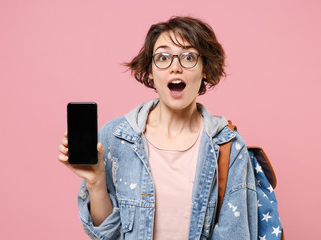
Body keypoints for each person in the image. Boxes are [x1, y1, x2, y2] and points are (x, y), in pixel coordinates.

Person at [58, 16, 258, 240]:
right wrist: (95, 183)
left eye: (189, 57)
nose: (175, 67)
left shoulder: (228, 145)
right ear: (151, 72)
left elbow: (235, 234)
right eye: (163, 57)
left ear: (205, 70)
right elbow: (108, 236)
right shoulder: (116, 137)